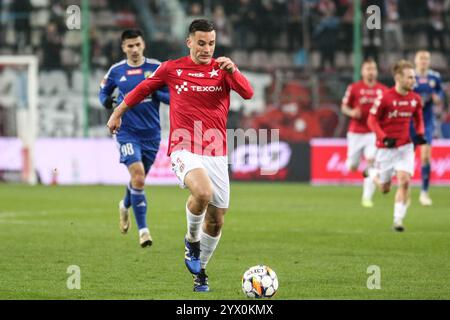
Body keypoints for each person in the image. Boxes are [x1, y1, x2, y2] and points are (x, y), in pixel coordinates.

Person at [107, 20, 254, 291]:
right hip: (183, 147)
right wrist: (117, 113)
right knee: (203, 193)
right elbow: (141, 90)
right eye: (201, 43)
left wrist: (234, 70)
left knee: (217, 219)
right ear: (189, 42)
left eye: (211, 43)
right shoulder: (172, 68)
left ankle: (201, 273)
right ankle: (191, 241)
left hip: (217, 151)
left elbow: (248, 93)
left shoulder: (222, 70)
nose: (207, 49)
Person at [99, 29, 170, 247]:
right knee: (138, 177)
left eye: (137, 44)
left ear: (144, 44)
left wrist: (157, 93)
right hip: (127, 132)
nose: (135, 49)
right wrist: (110, 104)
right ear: (123, 48)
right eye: (130, 46)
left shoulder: (156, 68)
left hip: (152, 134)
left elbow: (171, 97)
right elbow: (103, 93)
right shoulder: (116, 71)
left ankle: (124, 205)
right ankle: (144, 231)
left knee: (137, 180)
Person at [366, 60, 427, 232]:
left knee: (405, 181)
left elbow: (418, 119)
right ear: (398, 78)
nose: (413, 81)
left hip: (405, 147)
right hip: (385, 149)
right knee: (385, 189)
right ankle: (372, 174)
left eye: (413, 77)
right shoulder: (385, 97)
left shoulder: (415, 99)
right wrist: (384, 138)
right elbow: (371, 120)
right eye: (409, 78)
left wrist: (420, 134)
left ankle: (398, 221)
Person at [341, 58, 388, 208]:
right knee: (353, 166)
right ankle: (354, 165)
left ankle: (367, 198)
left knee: (371, 161)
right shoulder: (354, 88)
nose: (371, 71)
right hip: (356, 132)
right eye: (368, 69)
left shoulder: (383, 90)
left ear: (376, 71)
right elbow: (344, 107)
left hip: (373, 133)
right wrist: (352, 112)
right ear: (362, 71)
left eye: (373, 68)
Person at [411, 50, 443, 206]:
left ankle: (424, 192)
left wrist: (437, 99)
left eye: (426, 59)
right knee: (407, 157)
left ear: (429, 61)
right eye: (421, 58)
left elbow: (440, 95)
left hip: (427, 122)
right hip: (410, 122)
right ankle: (405, 189)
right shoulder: (410, 77)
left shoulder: (435, 77)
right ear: (415, 61)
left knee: (425, 156)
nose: (423, 61)